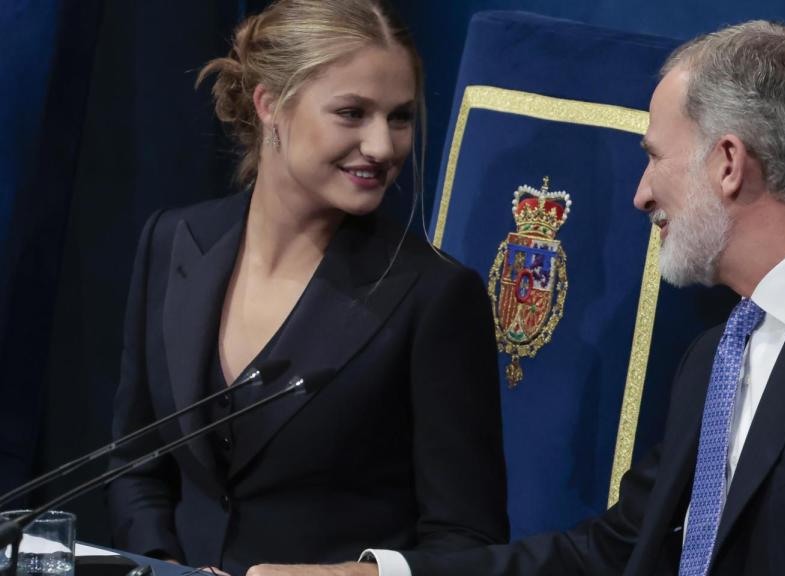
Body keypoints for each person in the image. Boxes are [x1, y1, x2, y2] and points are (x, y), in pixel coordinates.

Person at [258, 19, 785, 576]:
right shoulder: (717, 355)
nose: (640, 193)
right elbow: (614, 551)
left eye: (656, 158)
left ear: (728, 163)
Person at [106, 1, 509, 574]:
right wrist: (163, 564)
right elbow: (136, 465)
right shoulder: (172, 240)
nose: (382, 146)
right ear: (269, 103)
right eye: (352, 112)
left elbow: (467, 541)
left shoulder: (435, 296)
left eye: (399, 117)